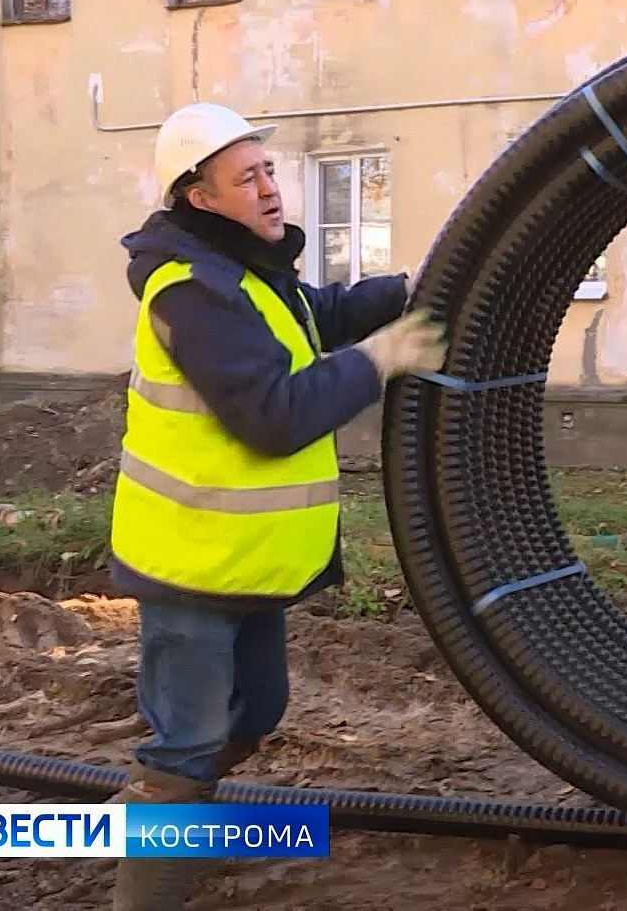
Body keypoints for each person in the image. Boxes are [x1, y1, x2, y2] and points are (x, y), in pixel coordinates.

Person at [106, 102, 446, 910]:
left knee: (257, 711)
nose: (269, 189)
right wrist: (380, 359)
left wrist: (403, 293)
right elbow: (272, 414)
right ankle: (152, 860)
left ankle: (160, 820)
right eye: (246, 177)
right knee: (187, 741)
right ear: (200, 198)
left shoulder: (247, 273)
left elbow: (312, 318)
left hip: (246, 563)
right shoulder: (189, 290)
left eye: (268, 171)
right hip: (189, 565)